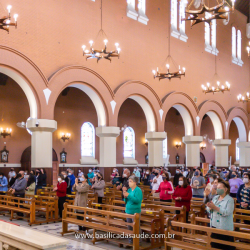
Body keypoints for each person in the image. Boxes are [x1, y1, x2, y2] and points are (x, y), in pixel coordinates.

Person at [206, 181, 235, 250]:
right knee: (214, 246)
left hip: (224, 227)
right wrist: (209, 207)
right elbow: (208, 209)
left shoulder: (230, 200)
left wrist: (215, 207)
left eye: (219, 188)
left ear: (225, 189)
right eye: (217, 188)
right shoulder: (215, 197)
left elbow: (227, 212)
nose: (217, 189)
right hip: (214, 225)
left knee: (225, 247)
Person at [123, 176, 143, 244]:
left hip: (135, 212)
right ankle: (131, 242)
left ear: (135, 182)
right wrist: (125, 196)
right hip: (128, 211)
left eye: (130, 181)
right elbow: (126, 201)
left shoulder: (138, 190)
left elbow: (137, 200)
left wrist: (129, 195)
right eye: (129, 181)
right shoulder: (129, 190)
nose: (129, 183)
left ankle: (138, 242)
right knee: (129, 228)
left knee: (136, 228)